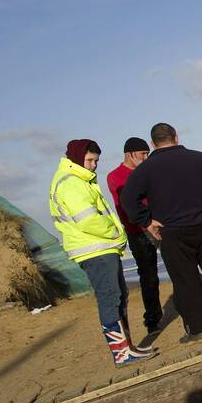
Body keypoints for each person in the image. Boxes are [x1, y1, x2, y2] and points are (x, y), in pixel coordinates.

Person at [120, 123, 202, 344]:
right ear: (176, 137)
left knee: (186, 282)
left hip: (173, 233)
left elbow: (127, 199)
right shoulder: (200, 159)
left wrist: (147, 221)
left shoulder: (145, 170)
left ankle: (199, 331)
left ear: (152, 144)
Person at [48, 139, 155, 365]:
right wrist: (116, 233)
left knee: (118, 296)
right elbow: (88, 221)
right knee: (110, 297)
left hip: (100, 247)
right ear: (77, 158)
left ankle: (127, 347)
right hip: (94, 248)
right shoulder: (71, 183)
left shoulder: (80, 180)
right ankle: (121, 353)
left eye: (96, 160)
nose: (93, 165)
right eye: (89, 160)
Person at [106, 137, 162, 333]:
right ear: (130, 154)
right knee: (149, 276)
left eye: (147, 154)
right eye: (142, 154)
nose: (146, 158)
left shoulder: (149, 169)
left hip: (161, 224)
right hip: (138, 231)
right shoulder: (115, 176)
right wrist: (145, 225)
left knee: (178, 265)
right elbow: (124, 209)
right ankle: (153, 319)